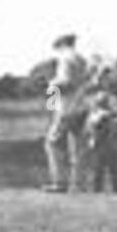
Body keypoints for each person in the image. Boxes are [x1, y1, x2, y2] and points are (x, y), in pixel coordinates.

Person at [43, 34, 90, 193]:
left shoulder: (65, 59)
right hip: (81, 106)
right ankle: (79, 184)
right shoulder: (81, 59)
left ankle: (59, 182)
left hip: (67, 108)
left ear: (62, 45)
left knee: (53, 143)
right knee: (77, 147)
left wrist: (52, 86)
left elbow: (66, 83)